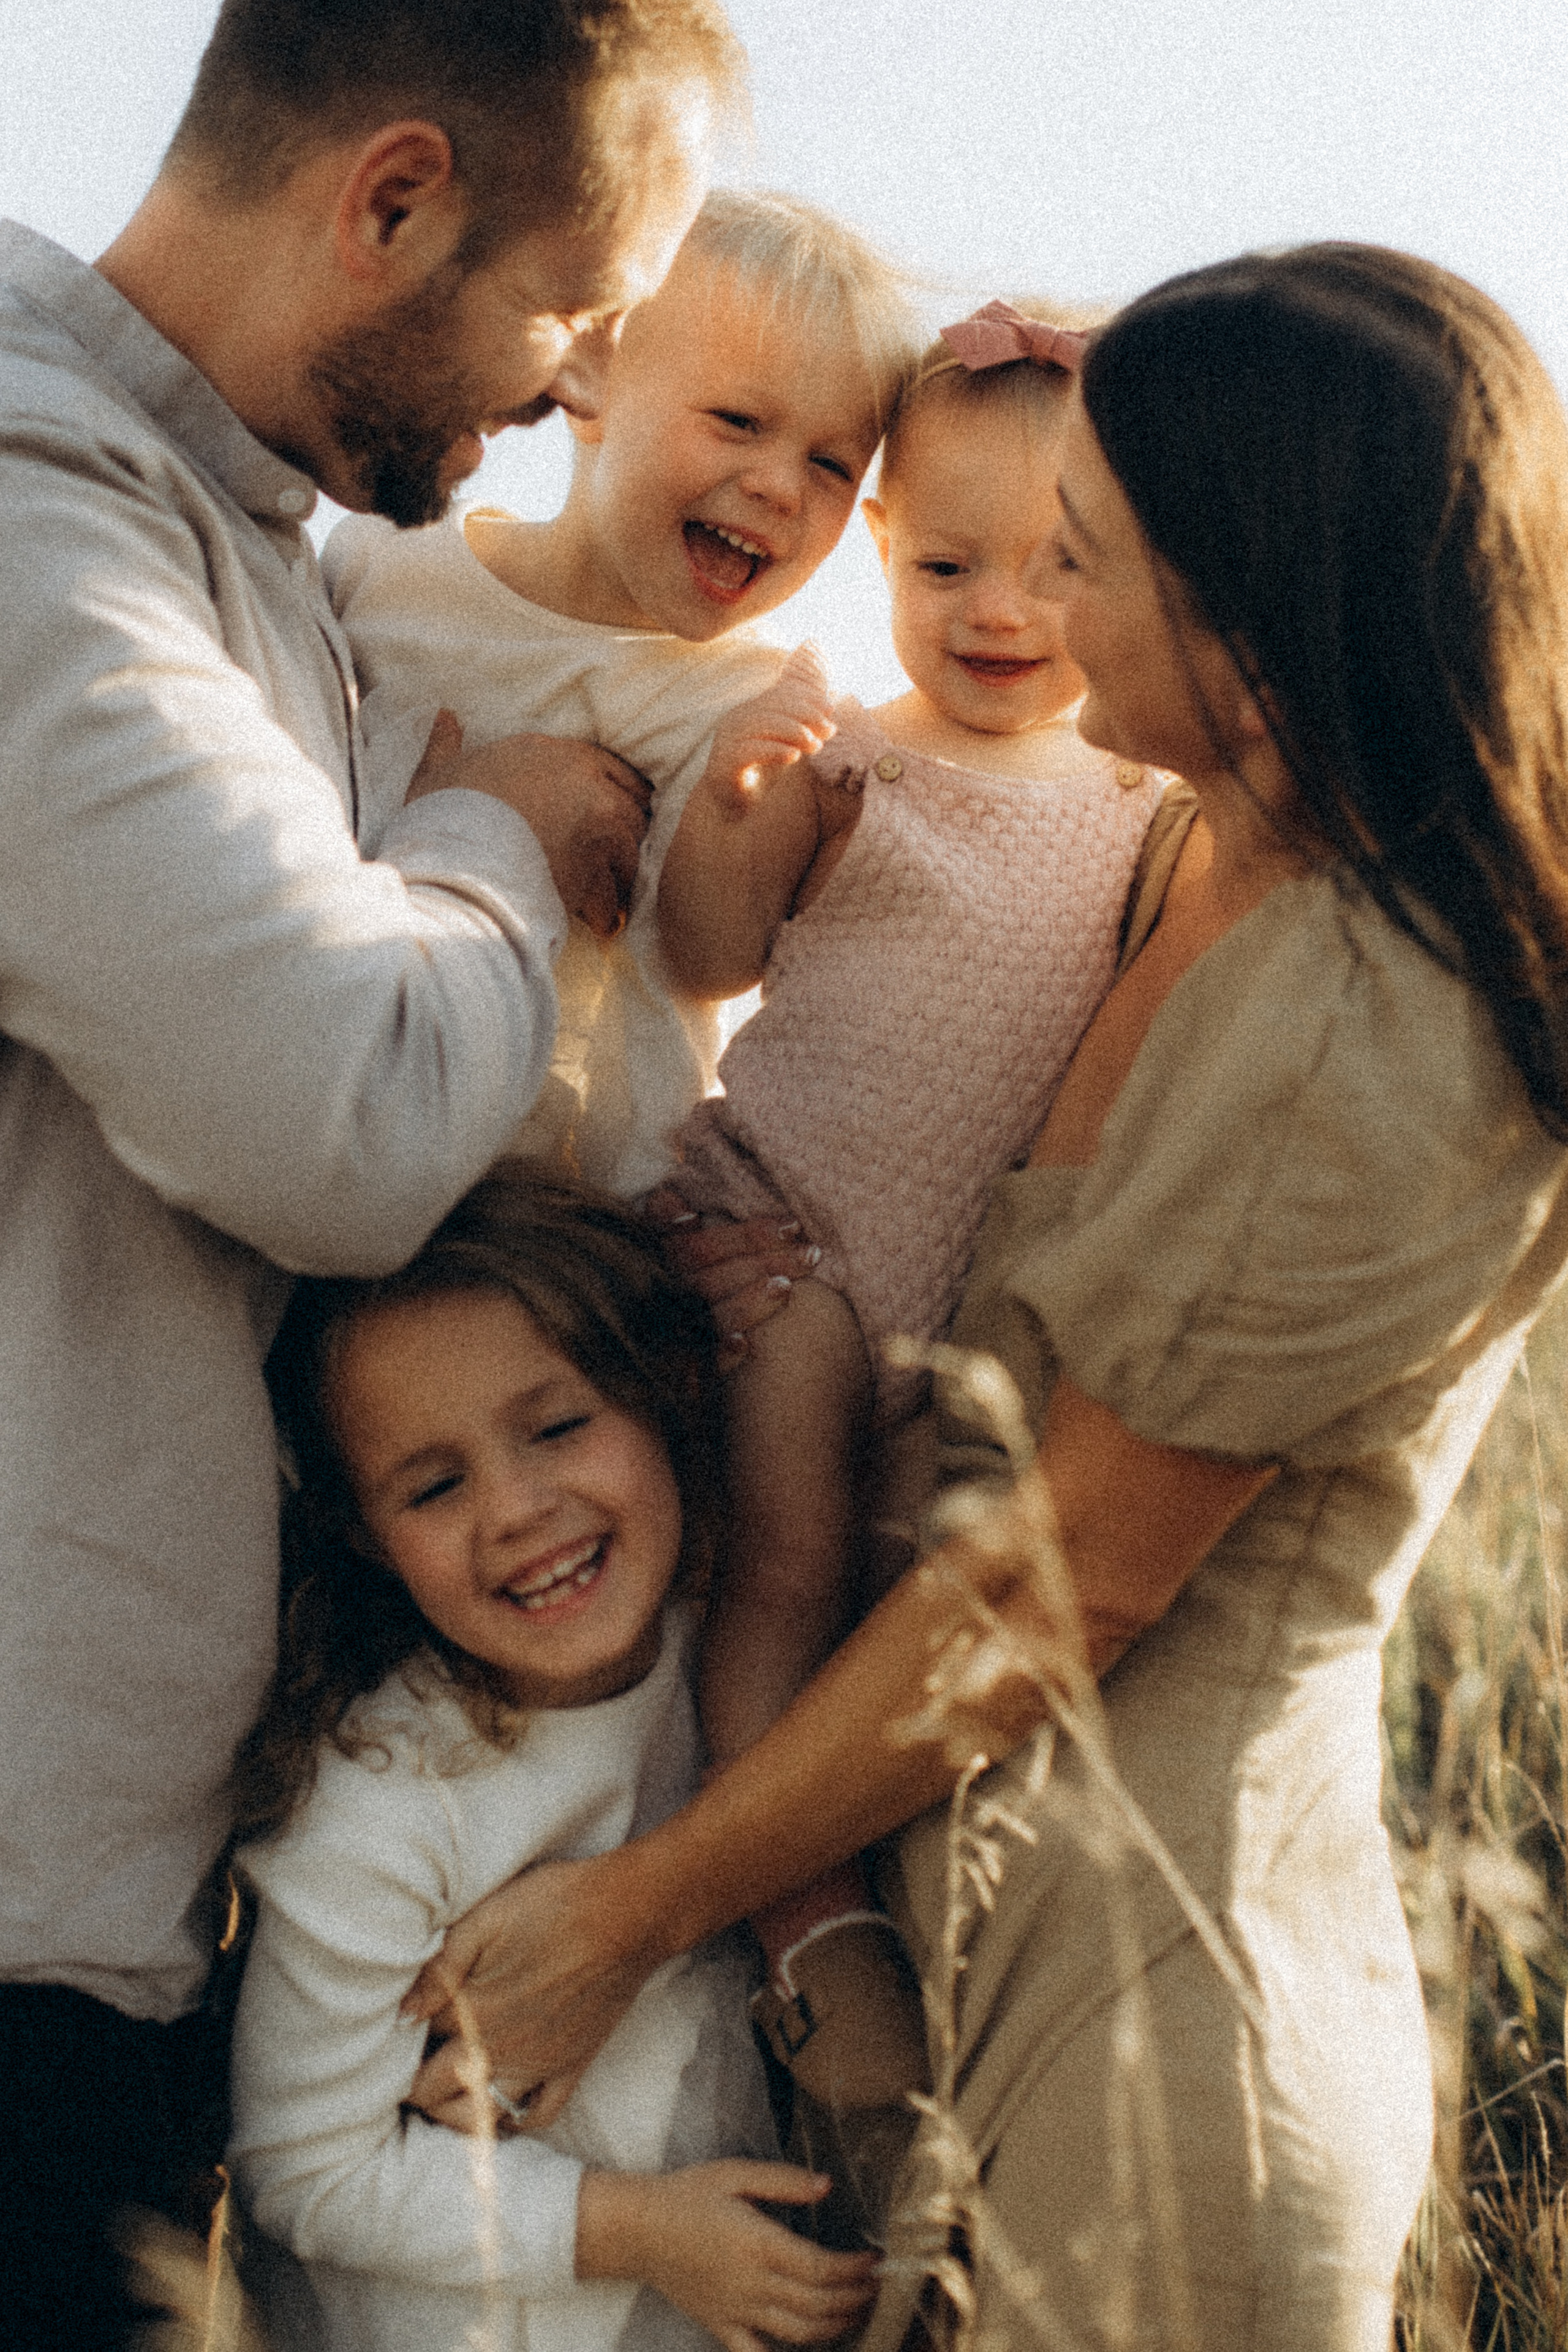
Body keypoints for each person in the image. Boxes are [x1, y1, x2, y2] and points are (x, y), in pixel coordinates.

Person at [395, 244, 1568, 2351]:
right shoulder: (1183, 853)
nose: (1040, 602)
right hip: (951, 1975)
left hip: (1152, 2036)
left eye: (1092, 556)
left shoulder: (1378, 1015)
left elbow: (1060, 1590)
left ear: (1252, 605)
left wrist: (628, 1922)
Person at [0, 2, 746, 2341]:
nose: (580, 382)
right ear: (393, 199)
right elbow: (332, 1115)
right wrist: (480, 835)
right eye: (578, 307)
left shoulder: (241, 548)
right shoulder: (37, 524)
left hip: (99, 1910)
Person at [655, 300, 1159, 2170]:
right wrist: (733, 812)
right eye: (948, 563)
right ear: (879, 549)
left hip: (959, 1315)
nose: (1002, 611)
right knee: (783, 1564)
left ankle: (858, 1943)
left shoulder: (1143, 805)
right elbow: (709, 963)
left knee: (898, 1611)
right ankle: (804, 1931)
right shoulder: (856, 762)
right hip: (787, 1234)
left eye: (1061, 565)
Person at [227, 1172, 876, 2352]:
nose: (517, 1510)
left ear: (664, 1393)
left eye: (560, 1427)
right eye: (434, 1486)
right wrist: (638, 2230)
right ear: (370, 1540)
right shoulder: (383, 1804)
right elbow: (303, 2169)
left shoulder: (729, 1658)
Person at [325, 189, 921, 1199]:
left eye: (830, 464)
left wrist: (736, 799)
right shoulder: (388, 563)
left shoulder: (752, 700)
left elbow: (713, 965)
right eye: (739, 421)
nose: (781, 485)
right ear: (590, 376)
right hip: (355, 1089)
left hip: (582, 1196)